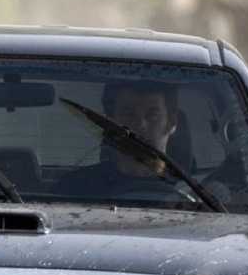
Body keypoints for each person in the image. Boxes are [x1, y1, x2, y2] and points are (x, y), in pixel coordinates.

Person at [53, 80, 193, 202]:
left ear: (171, 121)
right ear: (110, 122)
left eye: (152, 115)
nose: (140, 125)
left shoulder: (197, 195)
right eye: (128, 114)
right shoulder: (75, 189)